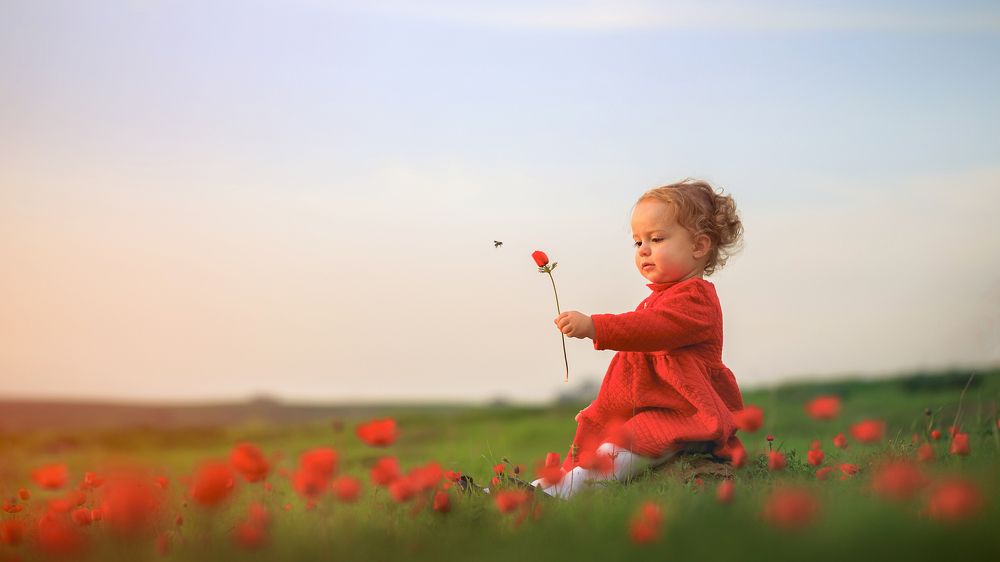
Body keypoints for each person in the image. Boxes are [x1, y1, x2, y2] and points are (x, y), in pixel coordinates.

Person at [531, 179, 746, 499]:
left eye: (656, 239)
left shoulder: (696, 299)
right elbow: (636, 370)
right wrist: (602, 408)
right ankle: (536, 488)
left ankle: (563, 494)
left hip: (684, 413)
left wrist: (595, 326)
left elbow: (651, 328)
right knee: (598, 441)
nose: (643, 249)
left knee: (619, 448)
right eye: (637, 242)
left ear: (699, 246)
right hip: (654, 407)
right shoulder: (659, 299)